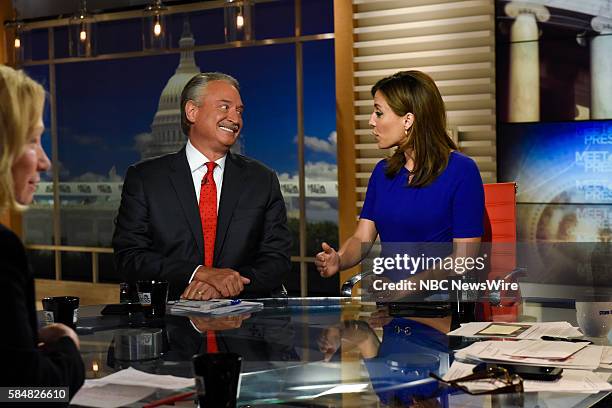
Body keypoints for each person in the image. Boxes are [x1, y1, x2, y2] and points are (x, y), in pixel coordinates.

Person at [113, 72, 291, 300]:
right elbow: (129, 257)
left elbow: (277, 259)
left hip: (243, 325)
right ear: (192, 111)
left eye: (239, 111)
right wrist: (200, 274)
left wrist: (224, 284)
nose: (235, 119)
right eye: (224, 107)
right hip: (168, 322)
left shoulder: (262, 179)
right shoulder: (146, 179)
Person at [316, 70, 484, 289]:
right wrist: (339, 258)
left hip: (441, 313)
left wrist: (405, 289)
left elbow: (464, 259)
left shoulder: (462, 170)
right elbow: (361, 239)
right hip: (390, 310)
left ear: (408, 120)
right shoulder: (383, 172)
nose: (370, 121)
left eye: (378, 113)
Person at [0, 65, 85, 396]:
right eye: (33, 140)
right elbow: (28, 393)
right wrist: (68, 346)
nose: (46, 161)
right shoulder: (2, 249)